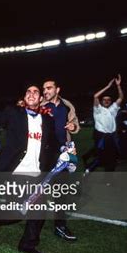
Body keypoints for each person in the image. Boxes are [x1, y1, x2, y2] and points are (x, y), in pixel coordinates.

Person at [0, 84, 58, 253]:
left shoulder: (47, 120)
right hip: (16, 172)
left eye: (35, 92)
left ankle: (27, 244)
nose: (31, 94)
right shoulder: (14, 113)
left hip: (37, 173)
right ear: (24, 97)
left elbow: (52, 144)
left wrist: (66, 150)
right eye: (28, 92)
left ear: (40, 99)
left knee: (39, 210)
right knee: (17, 212)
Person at [41, 79, 79, 241]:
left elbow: (75, 124)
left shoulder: (67, 105)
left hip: (62, 154)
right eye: (44, 89)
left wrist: (73, 127)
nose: (45, 91)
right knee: (38, 189)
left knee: (61, 192)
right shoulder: (40, 104)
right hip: (43, 153)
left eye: (49, 88)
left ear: (58, 89)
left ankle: (60, 226)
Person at [84, 75, 124, 175]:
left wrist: (118, 86)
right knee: (101, 157)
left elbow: (121, 98)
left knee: (112, 158)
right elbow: (95, 96)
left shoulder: (113, 109)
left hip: (111, 136)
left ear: (111, 102)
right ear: (101, 101)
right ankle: (88, 170)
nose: (106, 101)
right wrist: (108, 86)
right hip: (101, 136)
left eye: (108, 100)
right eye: (104, 100)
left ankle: (108, 178)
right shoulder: (98, 109)